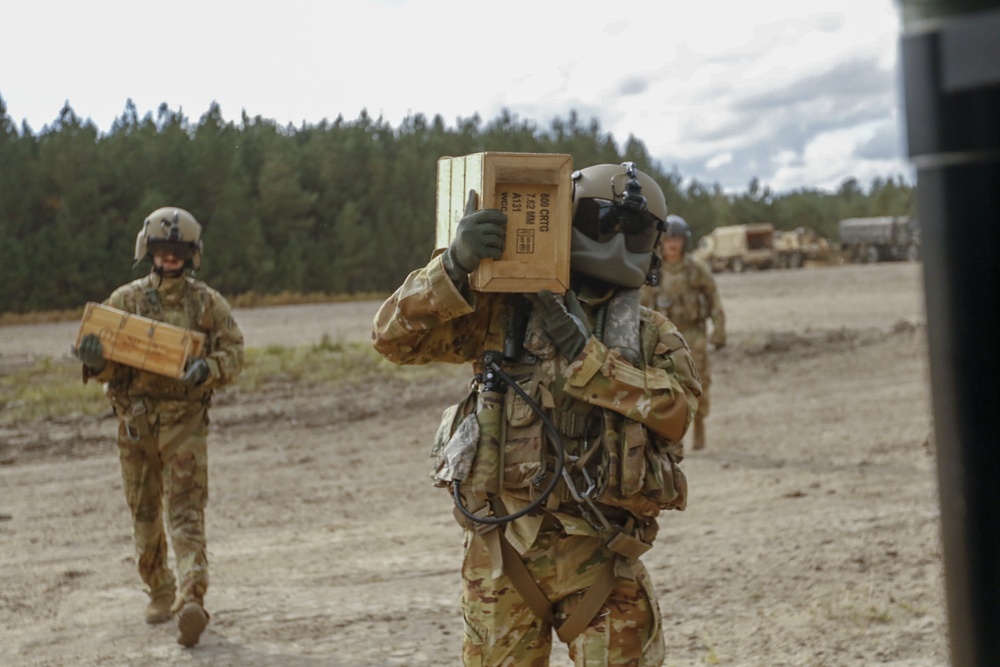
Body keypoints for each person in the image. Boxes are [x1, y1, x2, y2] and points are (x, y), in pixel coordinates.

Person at [372, 162, 701, 666]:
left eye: (633, 229)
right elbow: (393, 339)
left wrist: (586, 356)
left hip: (604, 554)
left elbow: (677, 412)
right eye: (601, 222)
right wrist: (453, 267)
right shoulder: (504, 311)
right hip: (504, 552)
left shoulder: (651, 334)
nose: (616, 240)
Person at [73, 207, 244, 647]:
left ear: (192, 256)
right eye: (162, 251)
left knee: (186, 515)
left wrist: (206, 369)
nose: (170, 259)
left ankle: (192, 598)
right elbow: (108, 362)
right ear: (148, 252)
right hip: (135, 425)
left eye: (179, 252)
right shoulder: (124, 302)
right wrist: (95, 361)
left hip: (184, 424)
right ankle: (160, 591)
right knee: (144, 515)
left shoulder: (207, 304)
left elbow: (236, 354)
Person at [641, 215, 726, 450]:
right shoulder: (653, 271)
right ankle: (671, 434)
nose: (672, 243)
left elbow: (714, 299)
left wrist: (719, 332)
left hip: (694, 335)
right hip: (663, 338)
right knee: (664, 384)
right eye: (668, 238)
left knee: (699, 382)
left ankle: (699, 426)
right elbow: (642, 305)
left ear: (684, 241)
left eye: (676, 239)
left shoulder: (696, 269)